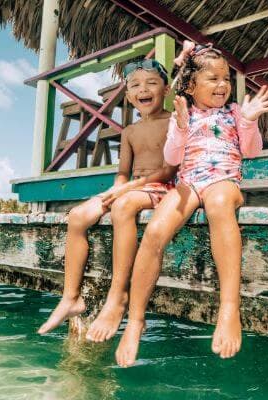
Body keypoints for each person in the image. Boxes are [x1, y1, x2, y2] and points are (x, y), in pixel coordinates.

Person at [115, 41, 268, 367]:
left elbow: (252, 150)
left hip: (223, 182)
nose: (222, 85)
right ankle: (135, 320)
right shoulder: (181, 116)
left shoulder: (235, 112)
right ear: (190, 85)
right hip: (188, 184)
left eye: (226, 79)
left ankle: (229, 308)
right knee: (155, 232)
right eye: (213, 79)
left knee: (218, 203)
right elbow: (173, 157)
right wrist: (182, 127)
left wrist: (249, 120)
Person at [38, 60, 176, 343]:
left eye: (151, 83)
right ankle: (70, 298)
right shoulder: (129, 132)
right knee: (78, 215)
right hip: (132, 186)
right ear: (128, 95)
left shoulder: (174, 122)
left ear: (166, 89)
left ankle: (118, 296)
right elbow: (122, 172)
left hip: (162, 187)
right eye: (135, 85)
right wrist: (115, 191)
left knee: (123, 206)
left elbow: (171, 168)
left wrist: (125, 192)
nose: (143, 89)